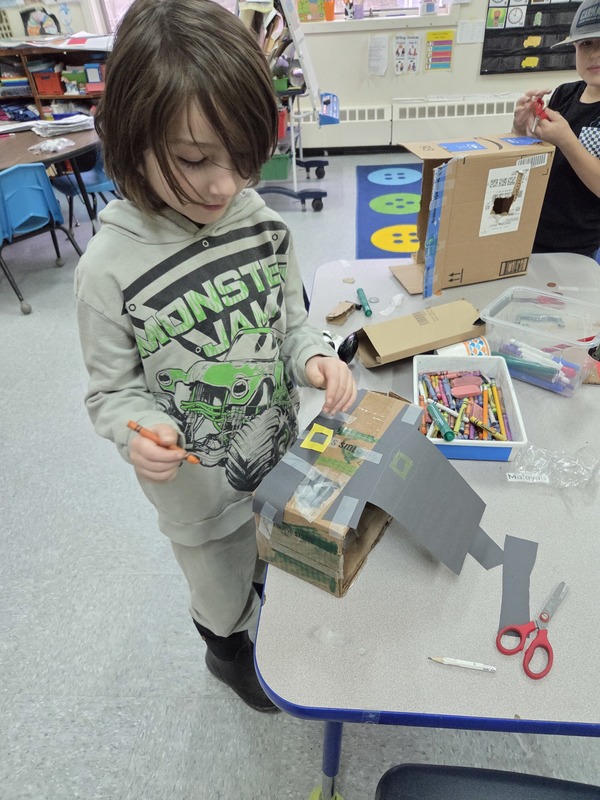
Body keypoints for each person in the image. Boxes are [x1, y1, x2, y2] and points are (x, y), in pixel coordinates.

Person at [75, 0, 356, 714]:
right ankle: (226, 651)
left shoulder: (259, 222)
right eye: (195, 160)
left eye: (244, 158)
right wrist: (140, 432)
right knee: (222, 591)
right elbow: (110, 394)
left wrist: (316, 357)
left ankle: (259, 596)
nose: (224, 185)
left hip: (277, 460)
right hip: (198, 500)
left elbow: (293, 322)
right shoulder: (106, 268)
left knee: (270, 553)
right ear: (130, 135)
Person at [512, 0, 600, 258]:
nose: (594, 54)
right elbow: (537, 155)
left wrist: (566, 141)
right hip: (534, 230)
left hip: (580, 246)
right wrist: (521, 128)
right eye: (586, 44)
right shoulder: (565, 93)